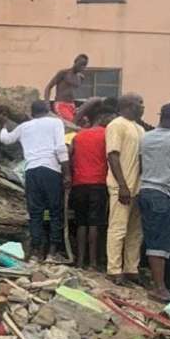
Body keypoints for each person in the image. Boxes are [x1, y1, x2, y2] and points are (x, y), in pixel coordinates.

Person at [0, 100, 71, 262]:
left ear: (32, 113)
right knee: (55, 211)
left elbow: (6, 139)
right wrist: (67, 173)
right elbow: (60, 148)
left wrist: (3, 125)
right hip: (50, 170)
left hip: (31, 171)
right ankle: (53, 252)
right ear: (47, 110)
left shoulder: (24, 127)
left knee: (35, 213)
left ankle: (35, 252)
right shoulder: (55, 122)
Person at [137, 103, 170, 302]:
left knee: (151, 238)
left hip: (145, 191)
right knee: (162, 243)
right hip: (165, 194)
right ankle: (160, 288)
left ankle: (158, 285)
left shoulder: (146, 137)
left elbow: (141, 165)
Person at [69, 98, 118, 270]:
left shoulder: (78, 135)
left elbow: (69, 156)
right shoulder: (107, 135)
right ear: (104, 118)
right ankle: (93, 263)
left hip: (79, 184)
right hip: (98, 183)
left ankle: (81, 261)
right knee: (95, 223)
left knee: (81, 223)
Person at [106, 94, 148, 284]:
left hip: (138, 188)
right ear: (128, 105)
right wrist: (123, 185)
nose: (143, 106)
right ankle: (113, 270)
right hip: (121, 187)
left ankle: (131, 269)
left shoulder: (140, 128)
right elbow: (113, 156)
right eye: (140, 103)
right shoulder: (117, 125)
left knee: (135, 232)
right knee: (118, 229)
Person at [44, 54, 89, 122]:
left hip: (72, 105)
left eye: (84, 65)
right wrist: (47, 103)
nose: (81, 67)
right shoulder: (64, 73)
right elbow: (49, 87)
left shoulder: (80, 77)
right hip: (61, 104)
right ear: (75, 62)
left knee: (85, 121)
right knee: (71, 122)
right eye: (80, 64)